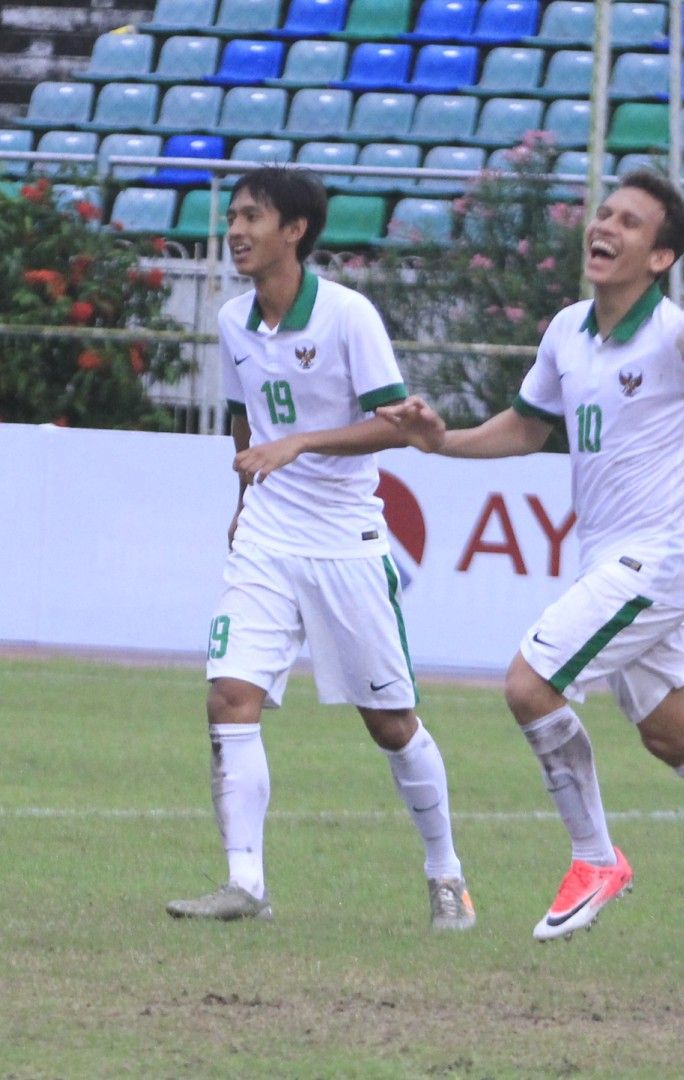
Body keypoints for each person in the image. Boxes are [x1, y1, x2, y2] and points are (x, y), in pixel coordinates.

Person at [380, 170, 684, 973]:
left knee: (529, 685)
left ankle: (596, 857)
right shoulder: (566, 329)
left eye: (630, 223)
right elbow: (526, 429)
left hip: (657, 557)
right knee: (669, 732)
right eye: (604, 214)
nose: (607, 228)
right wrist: (438, 441)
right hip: (609, 554)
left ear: (659, 256)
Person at [165, 167, 474, 931]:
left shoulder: (347, 316)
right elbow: (245, 422)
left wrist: (299, 444)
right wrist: (244, 503)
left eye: (252, 217)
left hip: (345, 542)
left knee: (391, 724)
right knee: (229, 698)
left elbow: (395, 424)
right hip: (268, 537)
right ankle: (245, 884)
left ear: (295, 230)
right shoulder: (236, 320)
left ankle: (447, 875)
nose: (236, 230)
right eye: (232, 216)